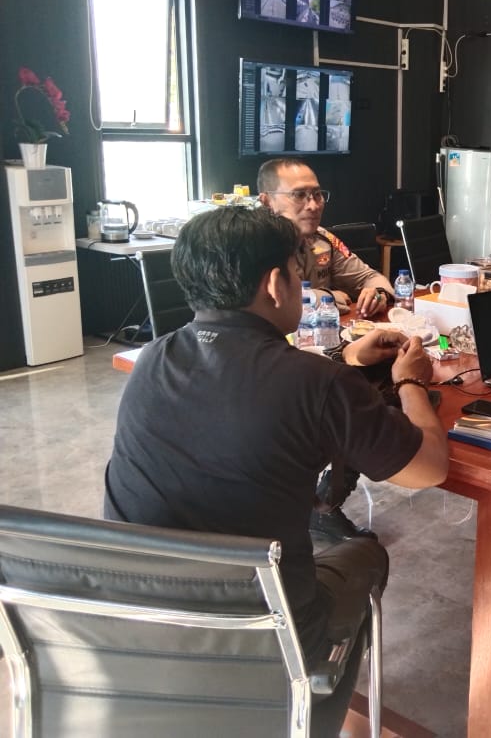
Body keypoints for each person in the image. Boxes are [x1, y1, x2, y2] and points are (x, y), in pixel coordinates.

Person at [105, 206, 448, 728]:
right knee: (366, 554)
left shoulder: (153, 358)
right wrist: (410, 382)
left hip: (142, 625)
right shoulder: (315, 384)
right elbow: (429, 469)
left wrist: (347, 360)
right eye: (297, 272)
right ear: (273, 283)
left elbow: (247, 392)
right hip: (266, 635)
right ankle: (318, 705)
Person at [258, 158, 395, 317]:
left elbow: (368, 277)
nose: (313, 206)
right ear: (267, 202)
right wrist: (329, 297)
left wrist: (379, 294)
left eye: (317, 194)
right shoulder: (254, 244)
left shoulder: (323, 239)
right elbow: (272, 300)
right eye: (299, 195)